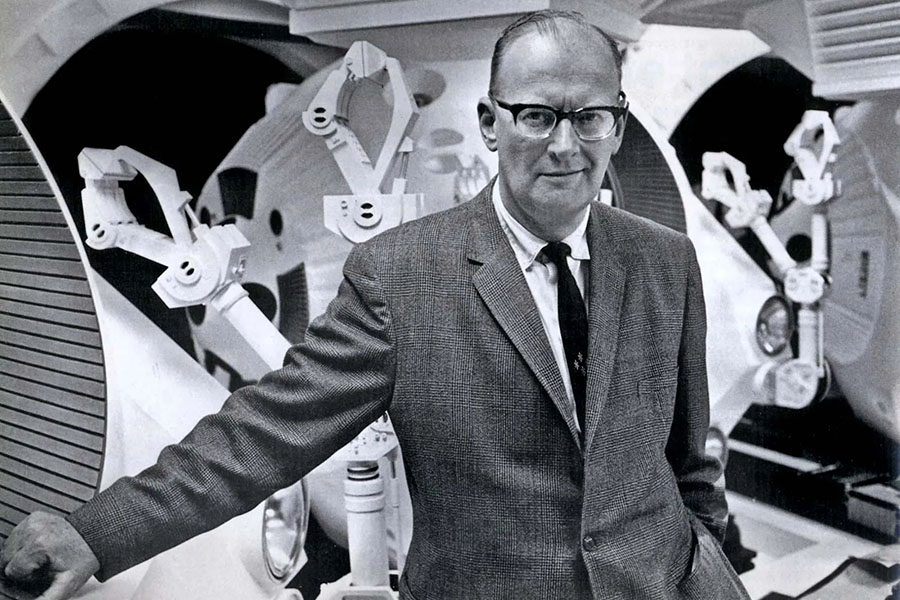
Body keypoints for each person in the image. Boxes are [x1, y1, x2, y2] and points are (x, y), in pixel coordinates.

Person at [0, 9, 750, 600]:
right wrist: (96, 534)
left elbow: (689, 460)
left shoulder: (664, 259)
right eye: (536, 115)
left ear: (617, 124)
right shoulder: (402, 275)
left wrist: (706, 566)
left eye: (589, 117)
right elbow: (265, 432)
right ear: (490, 123)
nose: (566, 145)